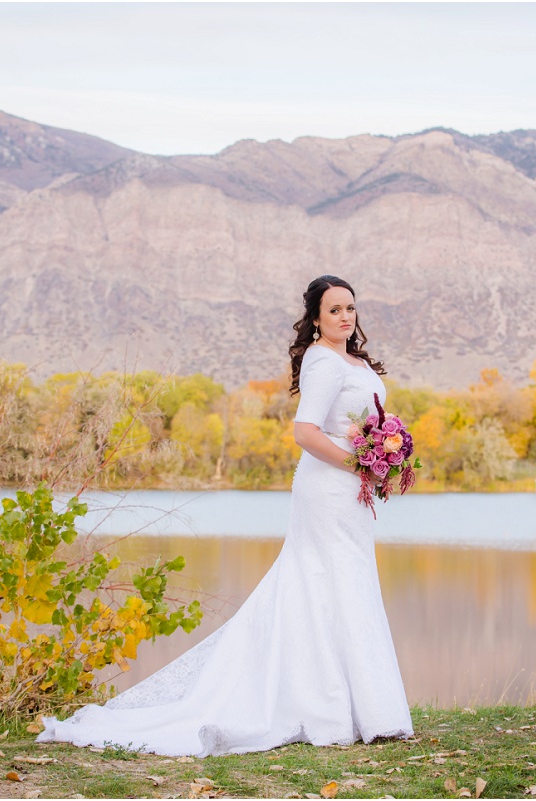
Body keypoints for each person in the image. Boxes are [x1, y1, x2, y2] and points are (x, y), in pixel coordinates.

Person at [36, 275, 413, 757]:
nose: (345, 316)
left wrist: (384, 456)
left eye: (351, 308)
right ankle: (328, 708)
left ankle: (365, 708)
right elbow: (304, 432)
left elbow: (363, 421)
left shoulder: (354, 360)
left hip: (350, 491)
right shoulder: (321, 361)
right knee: (325, 581)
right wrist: (361, 463)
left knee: (346, 582)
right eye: (334, 309)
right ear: (316, 318)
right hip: (326, 489)